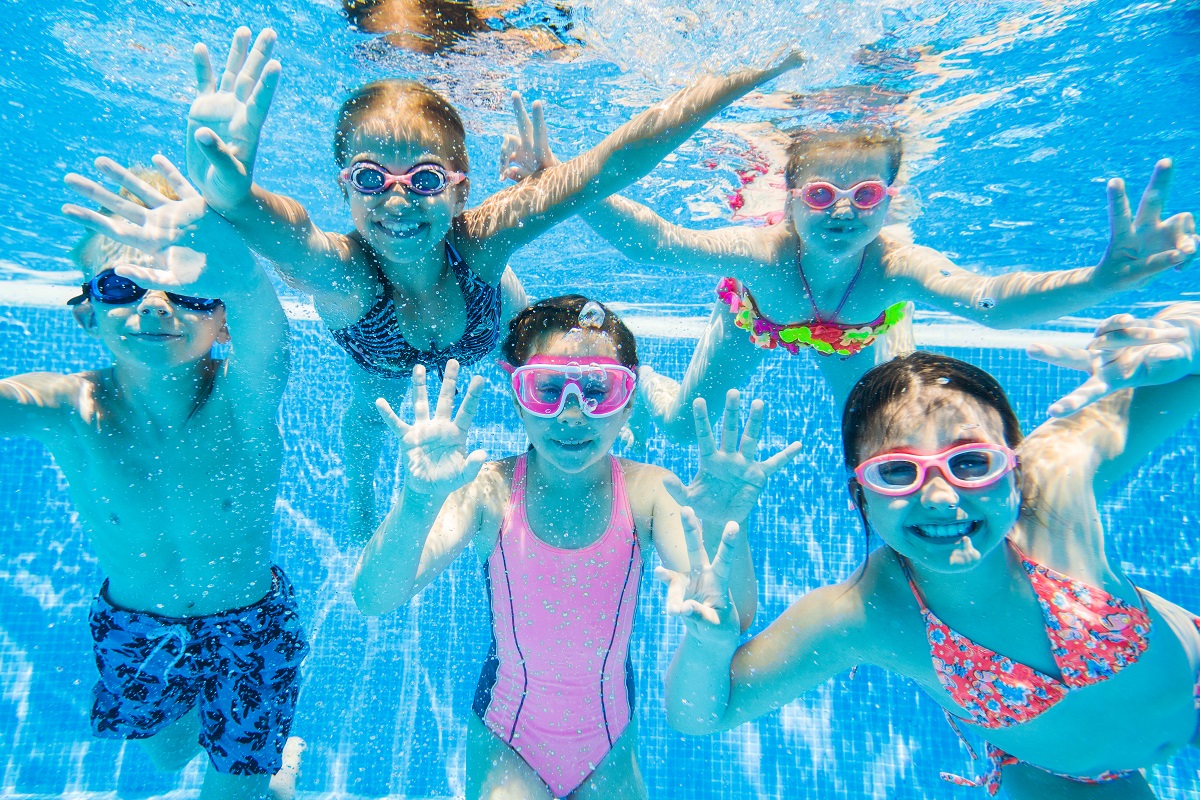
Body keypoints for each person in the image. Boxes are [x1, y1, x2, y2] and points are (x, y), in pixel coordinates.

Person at [183, 27, 801, 539]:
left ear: (460, 188)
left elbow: (608, 164)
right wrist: (233, 192)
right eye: (371, 178)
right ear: (344, 188)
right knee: (367, 420)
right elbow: (287, 234)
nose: (398, 201)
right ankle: (358, 495)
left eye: (423, 179)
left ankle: (617, 395)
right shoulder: (347, 274)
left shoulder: (480, 240)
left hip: (492, 320)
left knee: (545, 362)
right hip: (382, 358)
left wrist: (736, 81)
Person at [657, 304, 1200, 798]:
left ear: (1013, 463)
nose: (941, 498)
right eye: (897, 472)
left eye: (970, 462)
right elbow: (700, 715)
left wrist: (1189, 336)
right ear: (862, 495)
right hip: (1066, 781)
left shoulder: (1057, 481)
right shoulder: (865, 613)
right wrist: (709, 643)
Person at [502, 107, 1200, 441]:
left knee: (891, 433)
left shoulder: (893, 264)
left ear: (888, 202)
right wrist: (561, 181)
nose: (841, 213)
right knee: (685, 429)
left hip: (862, 333)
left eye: (864, 196)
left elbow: (988, 303)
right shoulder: (767, 257)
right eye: (820, 196)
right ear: (789, 200)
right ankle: (650, 388)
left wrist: (1102, 281)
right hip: (759, 320)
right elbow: (658, 244)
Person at [352, 295, 800, 798]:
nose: (571, 414)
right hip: (507, 739)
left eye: (597, 390)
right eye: (545, 389)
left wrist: (720, 526)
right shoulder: (487, 492)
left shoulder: (650, 492)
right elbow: (374, 596)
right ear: (517, 395)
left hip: (609, 746)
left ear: (627, 401)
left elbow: (730, 611)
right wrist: (417, 503)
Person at [0, 156, 307, 800]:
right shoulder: (70, 408)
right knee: (167, 756)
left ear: (222, 320)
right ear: (87, 311)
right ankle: (257, 762)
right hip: (138, 629)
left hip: (247, 625)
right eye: (121, 288)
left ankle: (261, 768)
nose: (157, 305)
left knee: (234, 787)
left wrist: (221, 245)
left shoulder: (245, 398)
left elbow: (264, 319)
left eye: (189, 292)